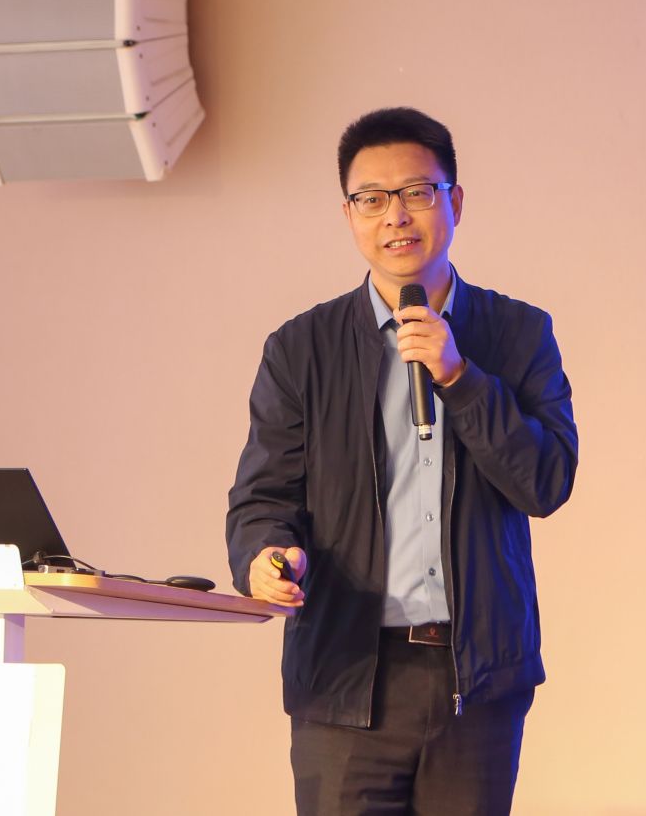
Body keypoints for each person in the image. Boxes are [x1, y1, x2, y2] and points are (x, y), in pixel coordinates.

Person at [226, 106, 579, 815]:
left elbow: (545, 482)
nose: (396, 215)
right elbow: (264, 497)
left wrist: (461, 378)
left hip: (476, 679)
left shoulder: (518, 332)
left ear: (455, 202)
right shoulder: (301, 348)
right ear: (349, 214)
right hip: (346, 677)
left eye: (417, 192)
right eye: (372, 199)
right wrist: (264, 556)